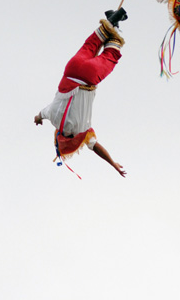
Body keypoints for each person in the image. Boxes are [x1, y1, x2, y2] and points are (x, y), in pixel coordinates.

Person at [34, 9, 129, 176]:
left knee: (112, 54)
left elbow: (96, 148)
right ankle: (111, 21)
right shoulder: (53, 117)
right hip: (71, 69)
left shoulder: (82, 131)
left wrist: (112, 163)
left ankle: (116, 26)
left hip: (89, 77)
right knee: (92, 43)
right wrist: (37, 119)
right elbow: (40, 114)